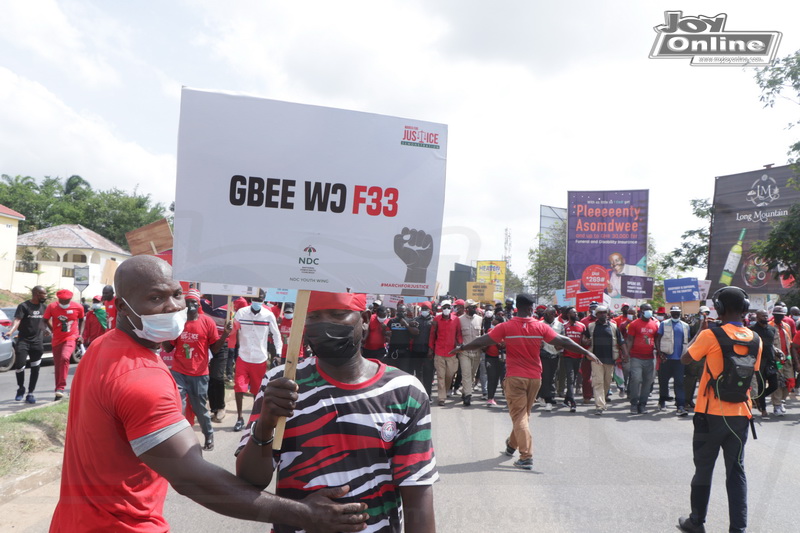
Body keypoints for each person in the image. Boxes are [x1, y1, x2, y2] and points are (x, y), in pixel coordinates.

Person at [49, 255, 369, 533]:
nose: (173, 306)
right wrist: (305, 514)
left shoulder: (104, 346)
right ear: (122, 306)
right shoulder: (141, 377)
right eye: (155, 298)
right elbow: (192, 479)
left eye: (176, 294)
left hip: (74, 522)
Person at [235, 290, 437, 533]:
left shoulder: (404, 391)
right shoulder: (281, 383)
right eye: (314, 317)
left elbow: (417, 492)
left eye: (338, 315)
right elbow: (250, 481)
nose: (324, 325)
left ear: (364, 319)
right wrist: (266, 424)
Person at [451, 293, 600, 470]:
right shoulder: (540, 326)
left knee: (520, 416)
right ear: (531, 309)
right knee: (523, 415)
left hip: (515, 378)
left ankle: (526, 456)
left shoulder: (506, 326)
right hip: (535, 379)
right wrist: (586, 352)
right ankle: (511, 445)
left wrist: (462, 347)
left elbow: (482, 340)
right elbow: (564, 340)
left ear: (517, 307)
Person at [678, 286, 761, 533]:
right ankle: (738, 529)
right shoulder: (755, 339)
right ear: (744, 308)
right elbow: (752, 373)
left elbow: (685, 358)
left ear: (720, 308)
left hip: (710, 416)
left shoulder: (710, 335)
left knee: (704, 470)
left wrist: (701, 331)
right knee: (737, 473)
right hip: (741, 415)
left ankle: (696, 522)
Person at [166, 289, 231, 451]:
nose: (191, 305)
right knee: (177, 406)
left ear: (199, 304)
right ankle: (179, 440)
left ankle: (208, 435)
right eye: (188, 302)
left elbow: (215, 349)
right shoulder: (178, 322)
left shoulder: (207, 322)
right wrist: (165, 331)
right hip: (179, 372)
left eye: (194, 302)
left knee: (200, 409)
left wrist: (225, 335)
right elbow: (168, 348)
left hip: (199, 374)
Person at [232, 295, 282, 431]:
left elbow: (276, 334)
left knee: (257, 391)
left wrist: (278, 353)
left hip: (260, 359)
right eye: (256, 299)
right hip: (243, 356)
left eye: (260, 300)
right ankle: (239, 418)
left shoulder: (268, 315)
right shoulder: (241, 313)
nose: (257, 302)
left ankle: (255, 418)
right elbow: (233, 330)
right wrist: (229, 329)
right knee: (239, 388)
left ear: (263, 300)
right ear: (251, 299)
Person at [5, 286, 50, 403]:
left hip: (37, 342)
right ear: (36, 294)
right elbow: (17, 320)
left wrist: (46, 330)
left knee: (35, 367)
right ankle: (21, 388)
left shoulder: (44, 307)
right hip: (23, 340)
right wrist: (11, 331)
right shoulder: (24, 306)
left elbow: (45, 321)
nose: (45, 296)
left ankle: (30, 393)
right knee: (19, 366)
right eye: (43, 294)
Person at [583, 306, 626, 415]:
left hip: (610, 359)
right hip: (596, 359)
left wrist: (625, 354)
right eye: (600, 313)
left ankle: (603, 399)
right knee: (598, 382)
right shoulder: (591, 326)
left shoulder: (613, 326)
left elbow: (621, 341)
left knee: (607, 382)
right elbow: (584, 339)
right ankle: (600, 405)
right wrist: (585, 341)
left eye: (604, 312)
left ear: (607, 314)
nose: (603, 314)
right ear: (596, 314)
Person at [44, 289, 85, 401]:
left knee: (65, 357)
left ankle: (61, 387)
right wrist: (50, 330)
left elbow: (82, 320)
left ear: (70, 299)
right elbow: (45, 320)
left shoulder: (78, 307)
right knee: (58, 365)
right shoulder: (52, 307)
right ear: (58, 299)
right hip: (57, 339)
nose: (63, 302)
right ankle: (58, 390)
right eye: (61, 300)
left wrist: (80, 335)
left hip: (71, 337)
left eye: (66, 301)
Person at [656, 306, 690, 416]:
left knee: (679, 383)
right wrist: (660, 353)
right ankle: (662, 401)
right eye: (674, 312)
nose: (676, 314)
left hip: (679, 360)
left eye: (677, 312)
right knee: (663, 382)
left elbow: (688, 341)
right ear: (670, 313)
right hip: (666, 359)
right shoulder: (664, 324)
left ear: (680, 313)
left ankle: (680, 406)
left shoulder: (685, 326)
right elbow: (658, 339)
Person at [625, 303, 658, 414]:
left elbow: (656, 340)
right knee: (636, 379)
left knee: (648, 381)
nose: (649, 311)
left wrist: (659, 352)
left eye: (650, 309)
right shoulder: (634, 324)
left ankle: (642, 404)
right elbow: (630, 340)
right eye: (646, 309)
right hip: (636, 357)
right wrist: (626, 354)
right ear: (641, 311)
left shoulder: (654, 324)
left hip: (650, 357)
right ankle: (634, 403)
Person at [428, 300, 461, 406]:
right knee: (440, 376)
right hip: (439, 351)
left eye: (448, 307)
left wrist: (459, 345)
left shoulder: (456, 319)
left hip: (451, 352)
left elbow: (458, 334)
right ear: (441, 308)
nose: (446, 309)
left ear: (451, 308)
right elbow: (432, 335)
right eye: (444, 307)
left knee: (450, 374)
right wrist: (431, 348)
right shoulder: (436, 319)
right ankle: (441, 397)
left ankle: (445, 391)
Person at [749, 309, 780, 418]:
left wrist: (778, 352)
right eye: (763, 316)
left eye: (766, 316)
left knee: (774, 385)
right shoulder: (751, 330)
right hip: (758, 362)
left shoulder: (772, 329)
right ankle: (763, 410)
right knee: (761, 386)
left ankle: (758, 398)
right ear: (757, 317)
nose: (765, 318)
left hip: (771, 361)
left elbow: (772, 345)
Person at [456, 299, 483, 406]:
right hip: (464, 352)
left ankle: (465, 390)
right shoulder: (459, 320)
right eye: (473, 307)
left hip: (477, 351)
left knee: (472, 374)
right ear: (467, 309)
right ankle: (468, 396)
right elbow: (457, 335)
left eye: (475, 306)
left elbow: (482, 334)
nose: (475, 308)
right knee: (466, 373)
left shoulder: (480, 319)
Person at [408, 301, 435, 397]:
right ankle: (418, 394)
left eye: (426, 309)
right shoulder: (416, 320)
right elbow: (411, 334)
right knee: (418, 373)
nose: (424, 310)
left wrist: (432, 349)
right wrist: (411, 325)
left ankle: (428, 394)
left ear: (430, 310)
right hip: (416, 350)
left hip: (428, 351)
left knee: (428, 373)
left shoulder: (433, 320)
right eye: (423, 309)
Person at [561, 307, 586, 413]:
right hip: (567, 356)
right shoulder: (564, 326)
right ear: (568, 315)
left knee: (574, 378)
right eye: (573, 313)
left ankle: (567, 399)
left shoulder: (582, 326)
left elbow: (584, 340)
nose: (575, 314)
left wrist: (586, 342)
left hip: (579, 356)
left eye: (576, 313)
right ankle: (572, 403)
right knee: (570, 379)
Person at [538, 307, 562, 411]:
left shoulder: (560, 325)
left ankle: (547, 395)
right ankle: (547, 398)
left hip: (555, 354)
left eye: (547, 314)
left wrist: (560, 346)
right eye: (544, 314)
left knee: (552, 376)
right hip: (543, 353)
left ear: (553, 314)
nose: (545, 316)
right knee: (545, 376)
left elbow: (563, 338)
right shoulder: (539, 324)